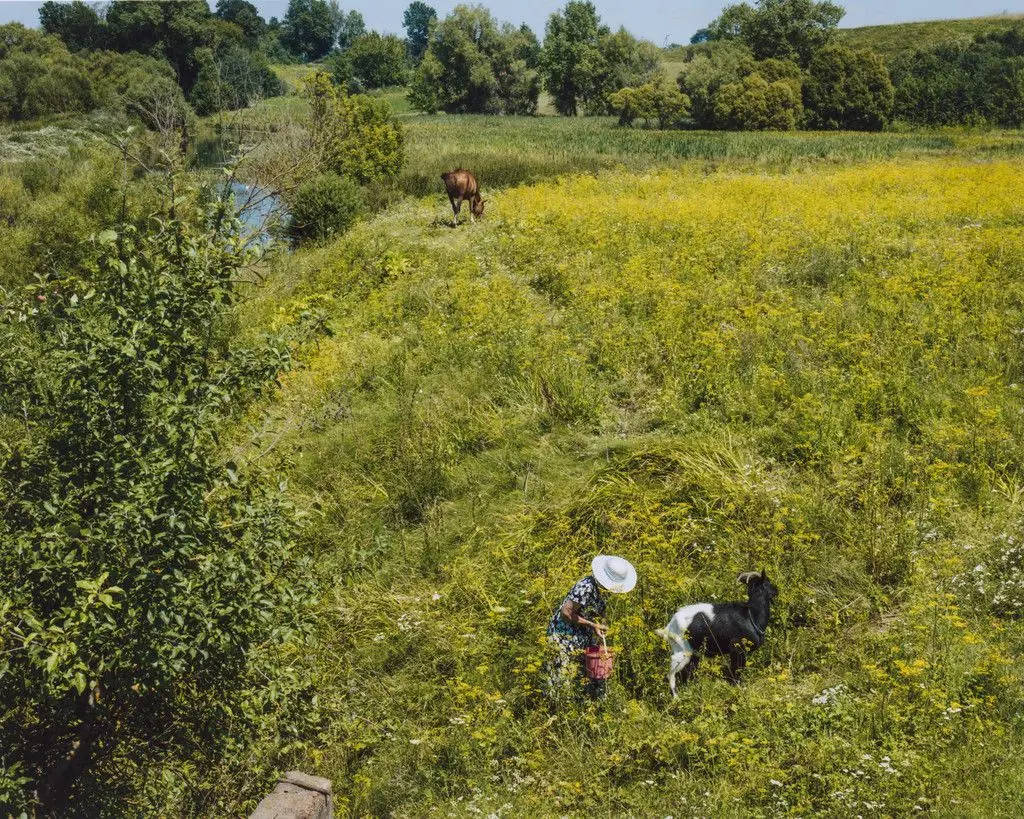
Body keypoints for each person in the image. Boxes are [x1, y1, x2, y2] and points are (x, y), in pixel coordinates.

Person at [546, 554, 637, 699]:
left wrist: (602, 626)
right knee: (563, 677)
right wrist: (592, 624)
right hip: (564, 635)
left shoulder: (605, 590)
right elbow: (566, 613)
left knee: (585, 676)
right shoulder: (586, 587)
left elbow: (602, 610)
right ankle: (559, 710)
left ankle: (586, 707)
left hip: (583, 635)